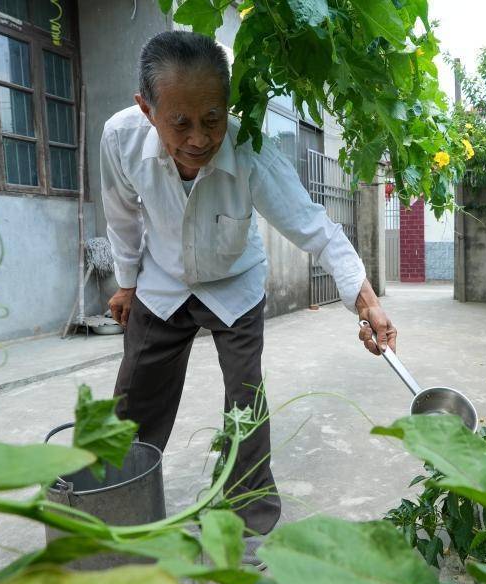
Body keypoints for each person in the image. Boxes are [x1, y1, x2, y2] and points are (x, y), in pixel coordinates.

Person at [101, 31, 395, 555]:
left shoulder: (251, 150)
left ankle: (250, 521)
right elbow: (122, 216)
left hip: (234, 285)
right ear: (146, 109)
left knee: (245, 402)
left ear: (228, 106)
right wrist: (127, 284)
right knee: (133, 400)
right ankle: (117, 507)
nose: (198, 139)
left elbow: (314, 226)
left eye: (213, 119)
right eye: (181, 123)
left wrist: (366, 299)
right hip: (161, 282)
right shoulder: (119, 140)